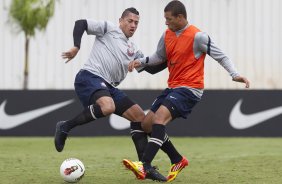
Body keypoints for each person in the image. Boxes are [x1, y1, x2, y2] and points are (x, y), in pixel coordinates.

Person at [123, 0, 250, 182]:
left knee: (159, 120)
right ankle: (177, 159)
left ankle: (144, 165)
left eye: (168, 19)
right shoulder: (167, 34)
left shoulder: (198, 36)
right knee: (147, 125)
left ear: (180, 17)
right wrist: (141, 61)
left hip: (190, 89)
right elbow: (160, 56)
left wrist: (235, 74)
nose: (166, 22)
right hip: (173, 87)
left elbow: (221, 56)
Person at [54, 7, 167, 180]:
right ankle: (65, 127)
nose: (133, 25)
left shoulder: (133, 49)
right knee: (108, 106)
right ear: (121, 20)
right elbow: (81, 23)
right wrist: (76, 46)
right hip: (89, 77)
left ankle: (145, 167)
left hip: (109, 87)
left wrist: (171, 60)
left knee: (140, 117)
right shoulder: (109, 28)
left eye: (136, 23)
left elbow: (150, 70)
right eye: (130, 21)